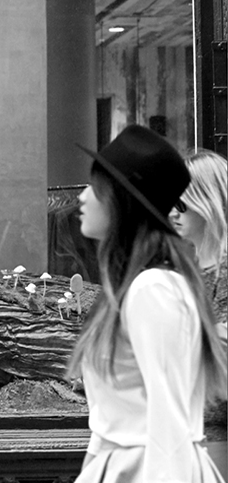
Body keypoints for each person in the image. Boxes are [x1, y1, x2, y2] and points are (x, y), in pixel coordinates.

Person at [67, 125, 227, 482]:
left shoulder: (153, 289)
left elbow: (170, 422)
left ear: (119, 201)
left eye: (94, 187)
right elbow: (110, 426)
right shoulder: (134, 288)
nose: (82, 197)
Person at [169, 150, 227, 325]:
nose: (172, 213)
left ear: (208, 201)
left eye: (181, 204)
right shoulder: (185, 267)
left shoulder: (223, 273)